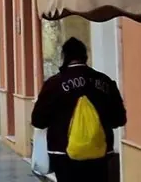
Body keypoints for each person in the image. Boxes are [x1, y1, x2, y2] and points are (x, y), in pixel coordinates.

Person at [31, 38, 127, 182]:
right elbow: (119, 119)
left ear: (64, 56)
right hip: (99, 152)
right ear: (85, 56)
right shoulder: (105, 81)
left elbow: (38, 121)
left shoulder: (53, 84)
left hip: (62, 153)